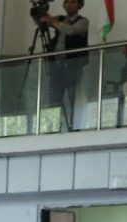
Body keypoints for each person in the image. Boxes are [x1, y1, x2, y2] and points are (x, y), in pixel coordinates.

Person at [41, 0, 89, 129]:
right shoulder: (60, 19)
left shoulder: (83, 21)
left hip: (73, 65)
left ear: (79, 5)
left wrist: (52, 21)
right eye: (67, 2)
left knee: (73, 98)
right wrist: (42, 15)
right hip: (57, 65)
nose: (69, 5)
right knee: (54, 98)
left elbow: (70, 30)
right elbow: (44, 22)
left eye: (73, 2)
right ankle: (54, 127)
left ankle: (75, 127)